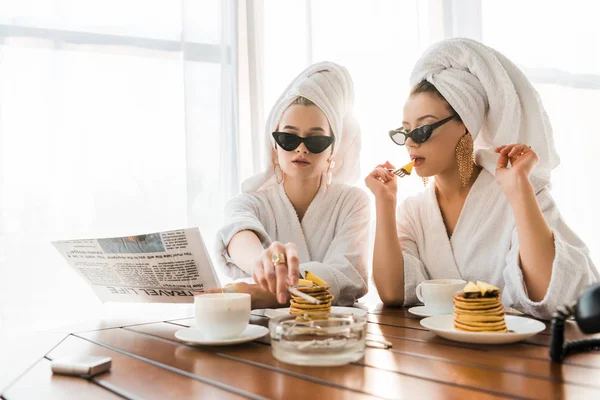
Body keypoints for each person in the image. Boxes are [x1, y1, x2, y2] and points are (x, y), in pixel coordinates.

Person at [366, 38, 598, 319]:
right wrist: (385, 202)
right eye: (405, 131)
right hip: (436, 356)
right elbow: (392, 293)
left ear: (465, 125)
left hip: (518, 354)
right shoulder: (414, 211)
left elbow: (548, 296)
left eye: (423, 129)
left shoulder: (518, 190)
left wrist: (519, 192)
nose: (411, 143)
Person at [214, 62, 370, 309]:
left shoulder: (352, 202)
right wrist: (261, 263)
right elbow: (237, 234)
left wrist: (267, 293)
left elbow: (348, 275)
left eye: (316, 139)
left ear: (332, 149)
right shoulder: (247, 202)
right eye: (288, 138)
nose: (301, 148)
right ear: (274, 146)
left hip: (335, 332)